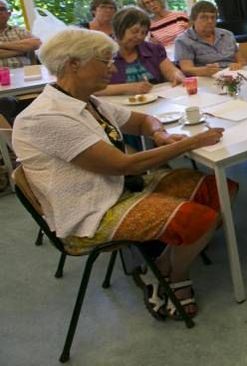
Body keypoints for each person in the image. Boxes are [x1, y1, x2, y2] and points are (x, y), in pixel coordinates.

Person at [12, 27, 234, 319]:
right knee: (202, 220)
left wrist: (160, 135)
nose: (112, 67)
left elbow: (143, 121)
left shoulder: (87, 101)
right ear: (72, 65)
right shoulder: (46, 116)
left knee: (223, 191)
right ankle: (172, 277)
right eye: (104, 61)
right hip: (92, 209)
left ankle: (159, 266)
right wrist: (190, 143)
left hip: (119, 186)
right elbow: (123, 164)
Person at [96, 6, 186, 98]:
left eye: (143, 33)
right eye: (134, 31)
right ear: (119, 29)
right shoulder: (102, 53)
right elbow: (93, 89)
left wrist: (177, 75)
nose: (139, 36)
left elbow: (170, 70)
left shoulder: (153, 49)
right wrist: (127, 88)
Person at [175, 1, 244, 76]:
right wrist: (204, 70)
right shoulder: (183, 40)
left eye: (213, 17)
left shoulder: (227, 35)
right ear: (193, 20)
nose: (210, 21)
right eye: (204, 17)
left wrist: (238, 65)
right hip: (205, 78)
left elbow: (242, 61)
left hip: (233, 75)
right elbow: (186, 69)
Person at [0, 0, 41, 68]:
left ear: (9, 14)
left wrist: (2, 45)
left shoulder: (19, 31)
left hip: (26, 74)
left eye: (2, 9)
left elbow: (36, 43)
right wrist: (22, 50)